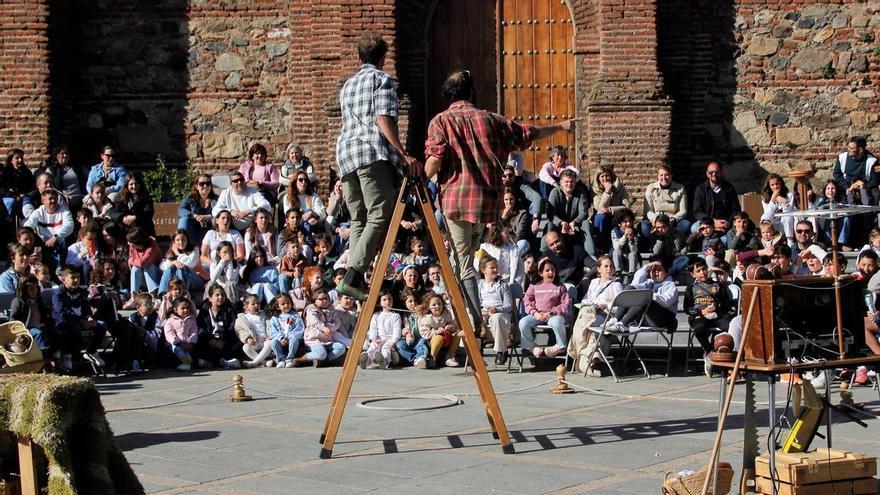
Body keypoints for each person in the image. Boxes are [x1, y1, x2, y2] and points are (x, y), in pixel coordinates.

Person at [424, 69, 572, 327]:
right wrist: (560, 126)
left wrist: (417, 179)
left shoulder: (441, 122)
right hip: (484, 203)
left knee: (462, 263)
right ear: (471, 92)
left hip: (457, 202)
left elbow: (435, 159)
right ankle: (474, 314)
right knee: (469, 255)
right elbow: (528, 133)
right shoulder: (491, 120)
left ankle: (475, 321)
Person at [334, 33, 421, 301]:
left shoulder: (347, 85)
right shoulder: (380, 79)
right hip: (370, 153)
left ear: (359, 58)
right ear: (383, 59)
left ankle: (354, 277)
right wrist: (402, 153)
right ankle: (352, 274)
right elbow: (382, 118)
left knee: (359, 217)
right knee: (380, 213)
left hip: (345, 155)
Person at [569, 255, 623, 376]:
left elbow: (619, 308)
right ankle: (588, 363)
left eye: (611, 266)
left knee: (586, 324)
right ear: (598, 269)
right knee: (587, 316)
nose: (609, 269)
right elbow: (585, 300)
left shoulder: (616, 285)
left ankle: (582, 357)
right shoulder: (593, 283)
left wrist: (606, 305)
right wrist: (593, 304)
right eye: (606, 266)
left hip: (606, 316)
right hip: (591, 312)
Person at [52, 266, 107, 372]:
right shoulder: (58, 294)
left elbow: (86, 308)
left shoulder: (81, 292)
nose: (76, 280)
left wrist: (89, 317)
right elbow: (62, 313)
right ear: (63, 279)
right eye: (73, 278)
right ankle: (71, 355)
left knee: (101, 325)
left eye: (78, 277)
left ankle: (91, 351)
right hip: (64, 323)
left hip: (81, 321)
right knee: (75, 328)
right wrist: (81, 321)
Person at [683, 260, 733, 376]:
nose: (703, 273)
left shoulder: (717, 285)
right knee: (699, 329)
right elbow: (687, 308)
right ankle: (710, 352)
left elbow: (726, 304)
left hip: (716, 315)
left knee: (728, 326)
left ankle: (723, 354)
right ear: (692, 274)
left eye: (704, 269)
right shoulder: (690, 288)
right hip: (699, 316)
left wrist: (717, 307)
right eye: (698, 271)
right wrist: (701, 311)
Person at [519, 257, 570, 362]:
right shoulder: (534, 286)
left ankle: (560, 346)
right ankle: (532, 346)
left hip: (553, 315)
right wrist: (535, 313)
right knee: (523, 322)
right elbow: (527, 301)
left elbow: (565, 305)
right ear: (541, 273)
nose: (551, 272)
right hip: (538, 315)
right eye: (547, 270)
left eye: (553, 270)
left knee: (557, 322)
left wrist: (551, 313)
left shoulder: (560, 286)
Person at [23, 189, 74, 272]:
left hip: (60, 241)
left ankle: (62, 268)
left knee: (65, 239)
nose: (53, 201)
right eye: (50, 199)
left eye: (55, 198)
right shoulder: (38, 213)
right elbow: (28, 226)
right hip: (43, 243)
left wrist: (56, 237)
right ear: (43, 201)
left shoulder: (64, 210)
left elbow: (69, 226)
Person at [547, 169, 593, 255]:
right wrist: (561, 223)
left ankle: (591, 255)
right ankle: (546, 254)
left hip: (575, 224)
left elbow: (583, 213)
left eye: (572, 182)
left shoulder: (580, 193)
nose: (569, 184)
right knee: (550, 226)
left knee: (586, 224)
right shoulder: (555, 192)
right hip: (559, 225)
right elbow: (550, 213)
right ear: (560, 182)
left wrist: (574, 222)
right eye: (566, 182)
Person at [478, 256, 514, 365]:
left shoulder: (503, 285)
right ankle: (477, 349)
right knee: (472, 319)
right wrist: (481, 311)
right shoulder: (480, 285)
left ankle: (501, 350)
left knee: (496, 319)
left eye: (496, 267)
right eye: (492, 268)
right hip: (485, 311)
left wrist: (496, 309)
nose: (495, 270)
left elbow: (508, 305)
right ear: (483, 270)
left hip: (500, 312)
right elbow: (478, 302)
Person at [195, 286, 241, 369]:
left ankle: (220, 362)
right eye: (217, 295)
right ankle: (221, 362)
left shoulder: (229, 310)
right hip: (210, 341)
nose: (220, 297)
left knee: (235, 345)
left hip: (224, 341)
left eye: (223, 295)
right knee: (202, 348)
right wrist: (210, 340)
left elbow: (231, 327)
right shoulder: (204, 311)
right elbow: (201, 328)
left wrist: (223, 341)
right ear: (210, 298)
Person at [299, 288, 346, 367]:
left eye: (326, 299)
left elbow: (337, 322)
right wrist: (324, 328)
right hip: (314, 339)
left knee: (341, 348)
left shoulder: (331, 308)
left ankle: (325, 360)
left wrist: (331, 328)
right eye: (321, 299)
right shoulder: (311, 309)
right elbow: (315, 322)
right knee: (321, 353)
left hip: (327, 339)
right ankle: (303, 359)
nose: (324, 301)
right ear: (315, 300)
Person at [590, 165, 630, 253]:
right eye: (602, 176)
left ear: (611, 176)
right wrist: (607, 192)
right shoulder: (594, 189)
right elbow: (599, 208)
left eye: (607, 175)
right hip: (602, 220)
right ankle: (601, 247)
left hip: (617, 217)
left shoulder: (619, 187)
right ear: (598, 178)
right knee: (600, 216)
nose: (605, 178)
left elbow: (626, 206)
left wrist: (611, 210)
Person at [642, 164, 690, 237]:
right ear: (657, 177)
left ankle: (674, 243)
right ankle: (651, 246)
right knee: (644, 226)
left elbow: (683, 211)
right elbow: (648, 211)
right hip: (656, 219)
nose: (664, 178)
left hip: (672, 220)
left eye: (667, 175)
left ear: (671, 176)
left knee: (686, 224)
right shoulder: (651, 188)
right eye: (661, 175)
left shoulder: (680, 188)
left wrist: (674, 219)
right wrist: (655, 220)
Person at [692, 162, 740, 234]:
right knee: (694, 228)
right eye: (711, 172)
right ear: (707, 174)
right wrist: (713, 221)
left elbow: (736, 208)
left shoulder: (729, 188)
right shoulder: (700, 189)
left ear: (721, 172)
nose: (714, 174)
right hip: (707, 221)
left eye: (717, 172)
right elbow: (697, 212)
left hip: (725, 222)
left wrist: (728, 222)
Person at [418, 291, 461, 368]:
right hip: (433, 341)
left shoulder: (446, 313)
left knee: (458, 335)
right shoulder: (427, 318)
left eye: (439, 304)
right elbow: (424, 333)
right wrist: (436, 331)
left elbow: (453, 323)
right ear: (428, 307)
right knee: (439, 338)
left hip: (447, 338)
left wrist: (450, 326)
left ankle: (450, 356)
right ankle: (432, 357)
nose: (437, 306)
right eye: (434, 305)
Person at [360, 290, 401, 369]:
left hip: (390, 339)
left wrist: (393, 341)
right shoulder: (376, 315)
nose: (387, 301)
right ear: (380, 302)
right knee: (374, 346)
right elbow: (373, 328)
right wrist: (374, 338)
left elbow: (397, 331)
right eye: (384, 300)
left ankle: (384, 361)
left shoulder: (395, 315)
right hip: (379, 339)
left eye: (389, 299)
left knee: (386, 348)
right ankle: (367, 359)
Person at [832, 136, 878, 205]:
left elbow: (875, 180)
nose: (848, 149)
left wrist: (864, 187)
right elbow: (837, 174)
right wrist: (847, 187)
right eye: (848, 147)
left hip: (865, 190)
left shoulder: (872, 161)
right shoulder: (842, 158)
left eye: (852, 148)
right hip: (847, 188)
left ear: (860, 150)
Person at [38, 145, 85, 211]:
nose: (65, 156)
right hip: (61, 197)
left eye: (67, 153)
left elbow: (90, 175)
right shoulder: (52, 169)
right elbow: (47, 184)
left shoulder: (77, 167)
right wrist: (61, 194)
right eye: (63, 153)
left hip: (78, 196)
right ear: (57, 155)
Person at [234, 294, 275, 368]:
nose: (256, 305)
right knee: (245, 347)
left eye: (258, 303)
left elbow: (271, 326)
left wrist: (270, 335)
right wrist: (247, 338)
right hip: (254, 342)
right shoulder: (243, 318)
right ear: (246, 307)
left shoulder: (265, 315)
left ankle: (254, 363)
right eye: (253, 304)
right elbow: (240, 331)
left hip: (265, 341)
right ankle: (264, 362)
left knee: (270, 343)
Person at [178, 174, 218, 246]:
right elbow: (181, 210)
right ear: (197, 186)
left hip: (209, 229)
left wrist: (207, 217)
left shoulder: (216, 199)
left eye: (208, 183)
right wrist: (195, 216)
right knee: (183, 220)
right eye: (202, 184)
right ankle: (182, 248)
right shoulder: (191, 198)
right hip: (193, 229)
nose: (205, 186)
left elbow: (221, 213)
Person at [395, 288, 429, 368]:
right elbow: (400, 329)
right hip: (407, 339)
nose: (413, 303)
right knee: (400, 345)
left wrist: (420, 313)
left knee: (422, 343)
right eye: (410, 301)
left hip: (418, 337)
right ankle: (415, 359)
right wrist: (404, 332)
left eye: (415, 301)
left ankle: (421, 357)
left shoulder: (420, 312)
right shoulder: (403, 315)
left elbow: (424, 324)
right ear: (405, 303)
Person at [158, 230, 200, 294]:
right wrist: (173, 262)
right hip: (177, 281)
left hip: (195, 281)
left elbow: (190, 263)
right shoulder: (171, 253)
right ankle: (163, 294)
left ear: (187, 240)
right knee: (169, 269)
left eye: (183, 239)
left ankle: (182, 293)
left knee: (181, 268)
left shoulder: (194, 249)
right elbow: (162, 266)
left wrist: (177, 253)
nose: (181, 242)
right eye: (178, 240)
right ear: (174, 242)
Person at [163, 297, 199, 371]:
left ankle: (187, 362)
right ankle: (186, 361)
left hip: (188, 344)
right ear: (176, 309)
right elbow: (169, 333)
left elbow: (194, 331)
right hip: (176, 344)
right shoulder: (170, 320)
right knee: (177, 349)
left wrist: (191, 342)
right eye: (183, 308)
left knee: (187, 351)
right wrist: (178, 342)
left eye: (187, 308)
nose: (186, 310)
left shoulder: (191, 319)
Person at [760, 173, 795, 246]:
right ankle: (767, 241)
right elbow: (768, 213)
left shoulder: (789, 195)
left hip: (785, 223)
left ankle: (790, 242)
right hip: (773, 225)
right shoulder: (765, 199)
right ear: (769, 186)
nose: (775, 186)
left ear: (781, 184)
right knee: (764, 216)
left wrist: (784, 202)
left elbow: (788, 212)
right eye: (772, 185)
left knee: (788, 217)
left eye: (777, 184)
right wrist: (772, 200)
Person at [1, 148, 35, 216]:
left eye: (21, 158)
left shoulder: (27, 173)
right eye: (17, 158)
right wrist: (14, 196)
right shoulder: (5, 173)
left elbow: (32, 186)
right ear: (11, 160)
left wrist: (25, 194)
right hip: (9, 197)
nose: (20, 160)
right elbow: (2, 189)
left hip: (25, 197)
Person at [610, 208, 640, 278]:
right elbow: (616, 247)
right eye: (625, 222)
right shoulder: (615, 231)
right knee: (616, 251)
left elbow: (634, 250)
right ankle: (618, 273)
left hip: (630, 261)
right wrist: (624, 236)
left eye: (630, 221)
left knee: (633, 254)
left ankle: (631, 275)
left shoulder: (635, 232)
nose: (628, 224)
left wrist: (631, 239)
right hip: (619, 260)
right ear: (619, 224)